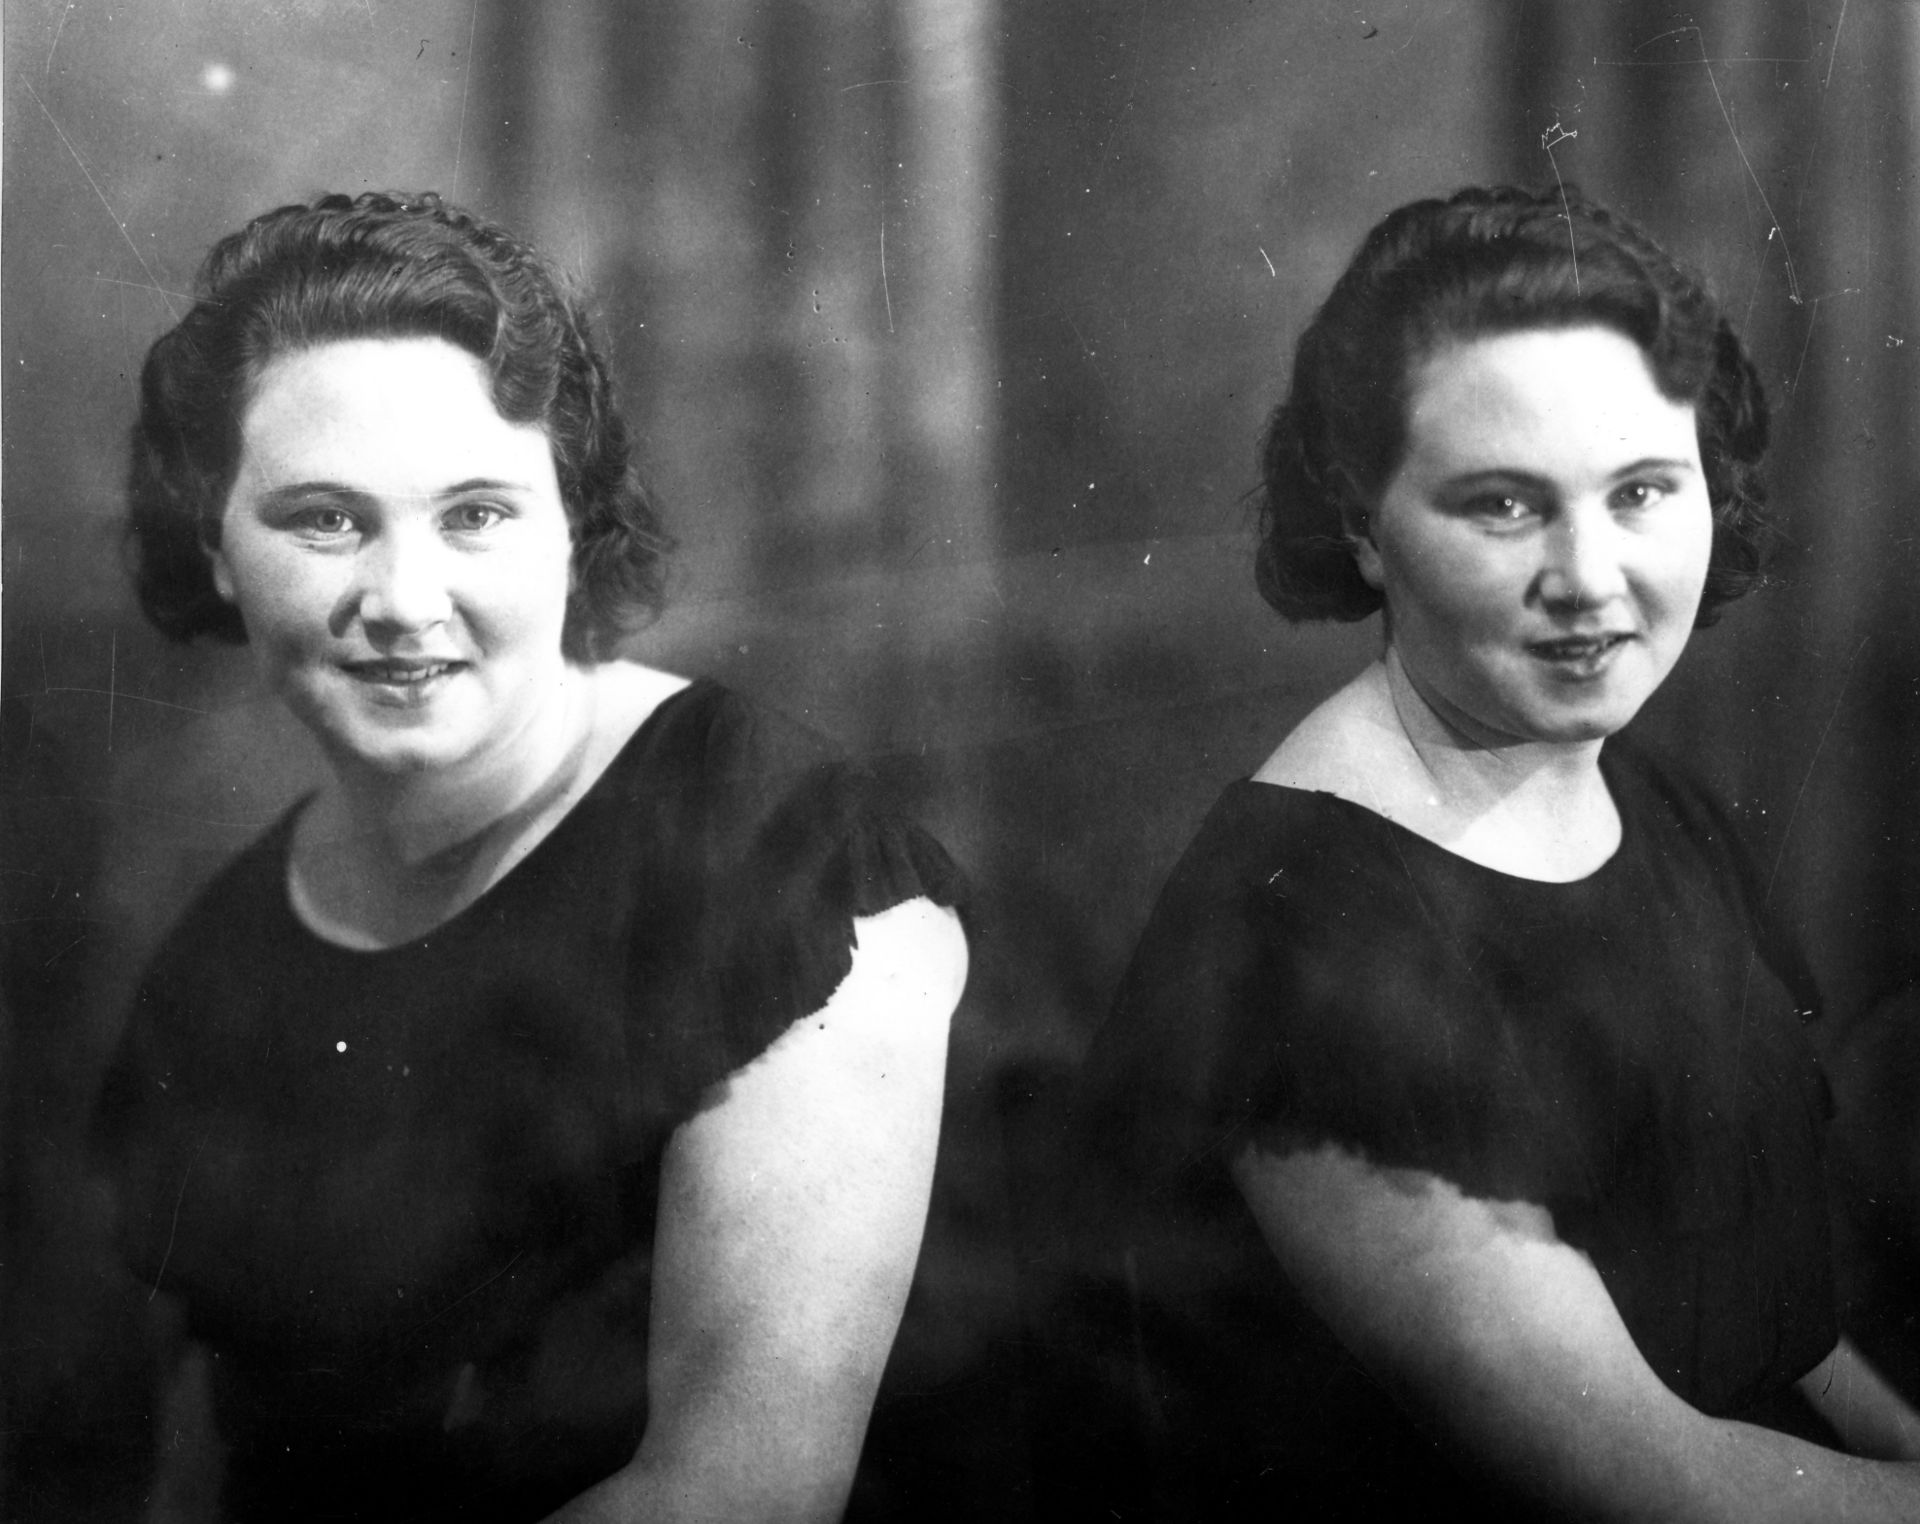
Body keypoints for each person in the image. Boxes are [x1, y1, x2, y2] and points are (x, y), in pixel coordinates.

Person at [94, 190, 968, 1523]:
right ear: (216, 547)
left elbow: (745, 1491)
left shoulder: (783, 856)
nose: (403, 600)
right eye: (324, 518)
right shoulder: (218, 957)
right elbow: (199, 1470)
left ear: (573, 530)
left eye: (476, 515)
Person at [1059, 185, 1920, 1519]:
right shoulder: (1299, 941)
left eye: (1643, 491)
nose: (1590, 576)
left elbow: (1786, 1325)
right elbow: (1656, 1482)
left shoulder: (1654, 802)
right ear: (1361, 524)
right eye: (1505, 506)